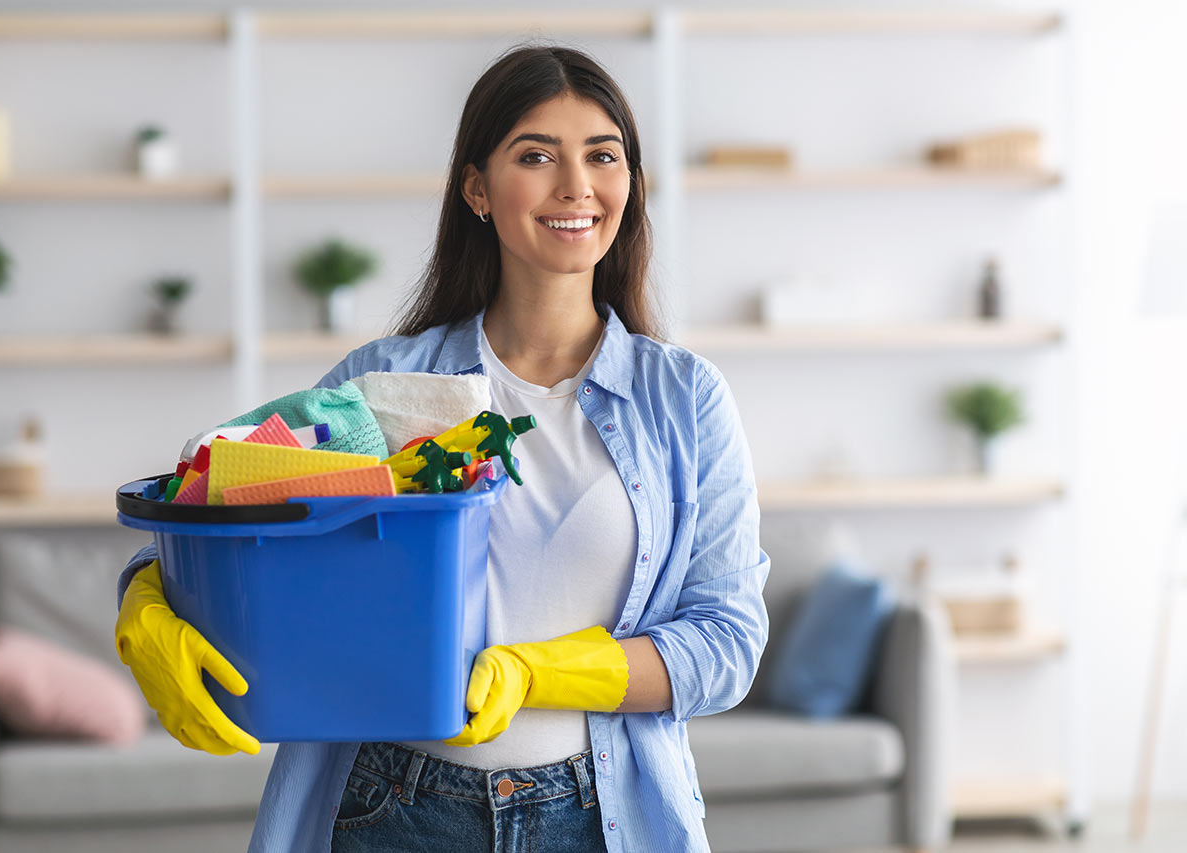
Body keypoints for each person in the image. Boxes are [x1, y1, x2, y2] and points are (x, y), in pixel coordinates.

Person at [115, 44, 769, 853]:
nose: (576, 185)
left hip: (599, 817)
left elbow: (727, 642)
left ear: (629, 185)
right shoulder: (382, 386)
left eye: (603, 155)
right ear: (477, 189)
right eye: (536, 155)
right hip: (393, 806)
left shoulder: (683, 400)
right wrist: (145, 600)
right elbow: (224, 499)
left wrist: (537, 672)